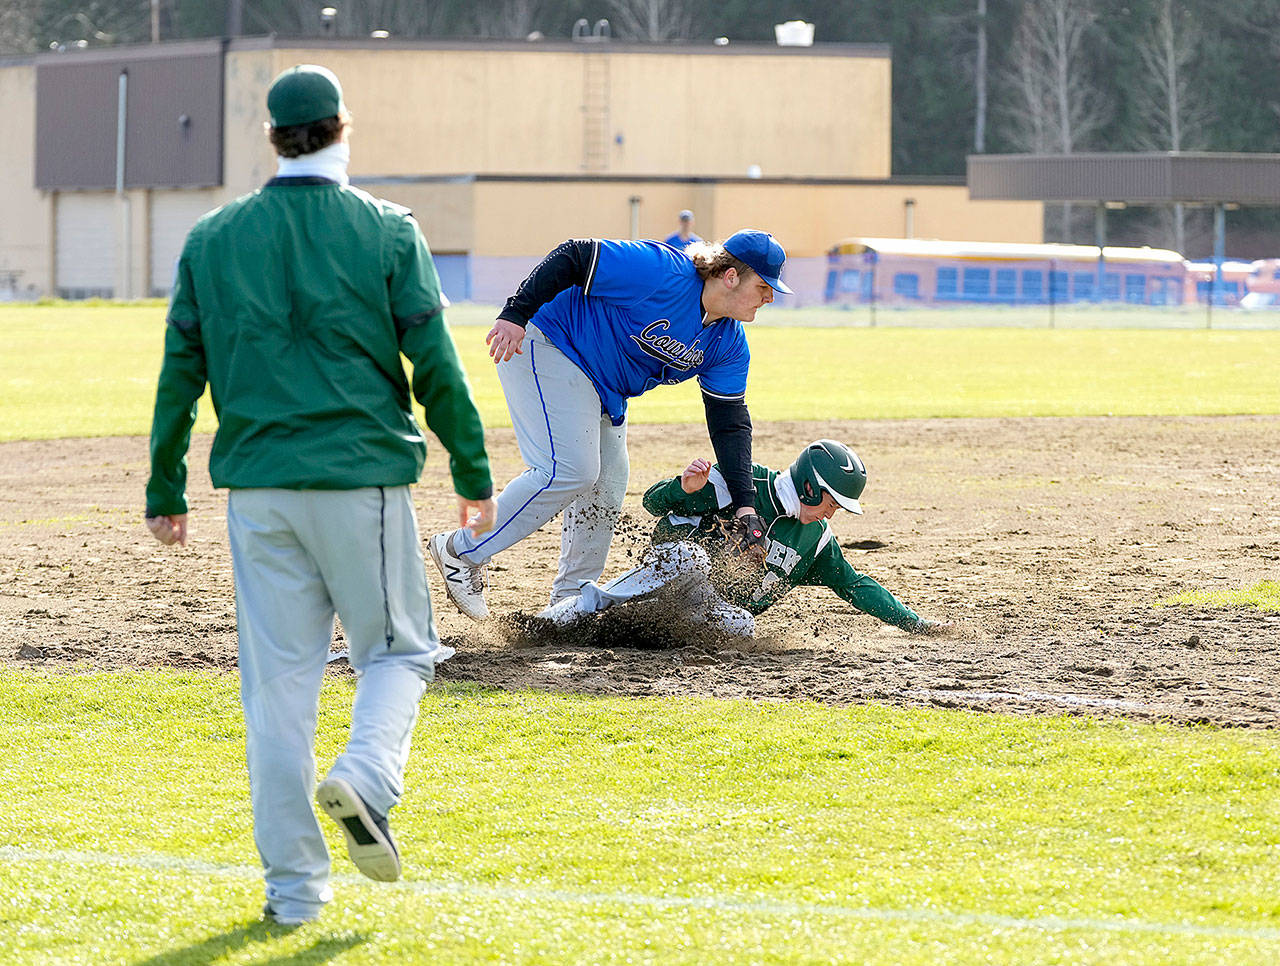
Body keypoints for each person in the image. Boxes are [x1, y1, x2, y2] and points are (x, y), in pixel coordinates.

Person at [143, 64, 495, 926]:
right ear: (343, 128)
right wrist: (473, 471)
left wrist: (164, 484)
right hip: (360, 479)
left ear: (273, 137)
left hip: (258, 490)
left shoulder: (212, 236)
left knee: (277, 697)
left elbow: (179, 373)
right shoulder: (386, 230)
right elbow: (435, 361)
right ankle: (367, 781)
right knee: (402, 653)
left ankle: (294, 895)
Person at [428, 230, 794, 621]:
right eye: (763, 286)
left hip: (602, 387)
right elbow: (574, 255)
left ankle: (567, 606)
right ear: (731, 276)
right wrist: (515, 313)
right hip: (549, 342)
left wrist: (744, 506)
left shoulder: (729, 342)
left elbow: (729, 423)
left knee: (607, 483)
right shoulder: (662, 272)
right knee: (570, 469)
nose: (769, 297)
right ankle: (461, 551)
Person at [539, 440, 948, 637]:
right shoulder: (741, 479)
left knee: (742, 627)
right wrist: (684, 488)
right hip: (672, 569)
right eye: (832, 500)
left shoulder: (816, 538)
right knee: (692, 560)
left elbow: (856, 586)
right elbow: (651, 503)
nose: (833, 511)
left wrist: (914, 623)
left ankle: (623, 635)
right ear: (809, 486)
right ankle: (577, 609)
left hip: (701, 609)